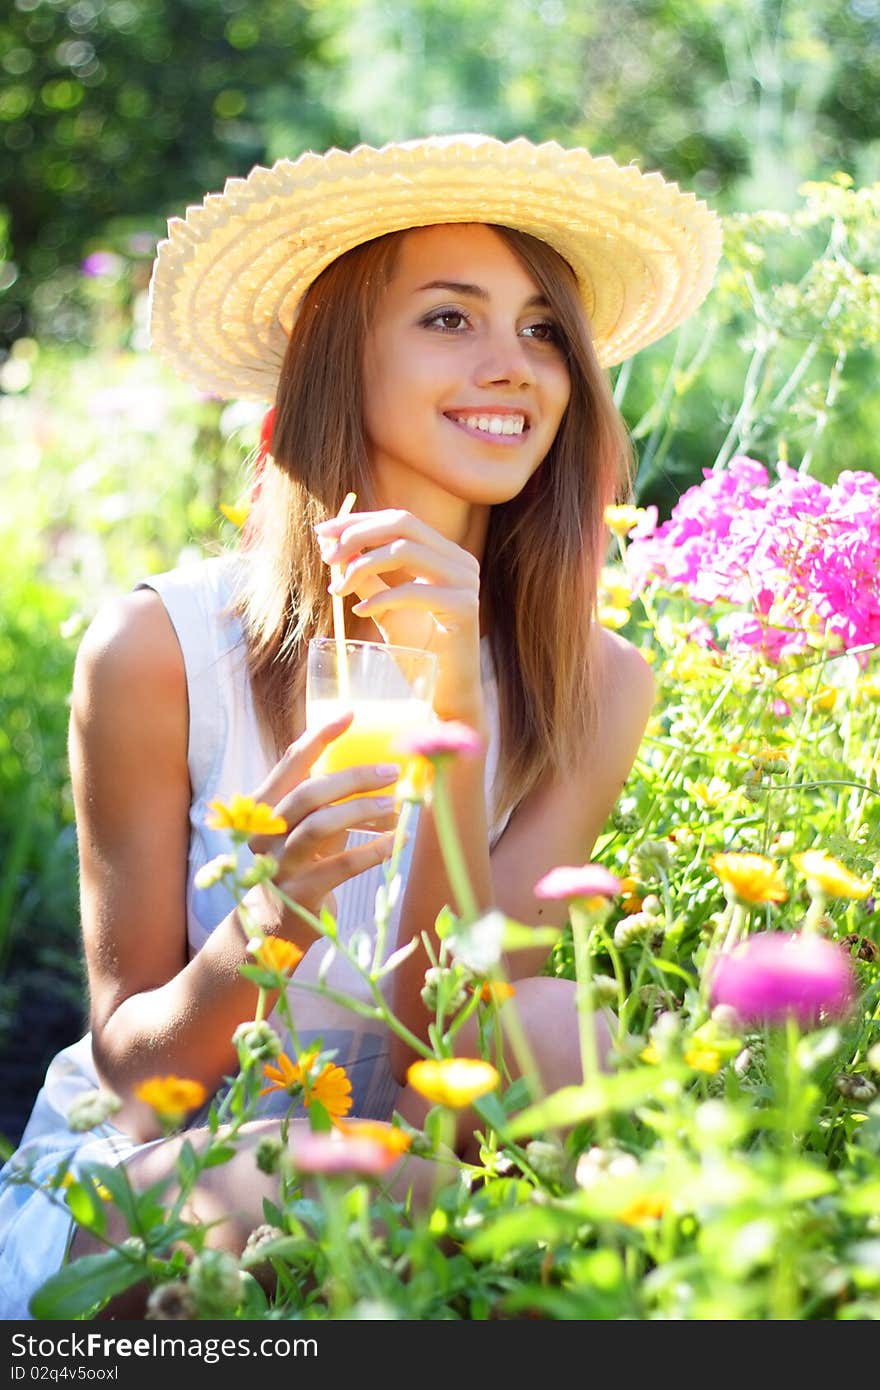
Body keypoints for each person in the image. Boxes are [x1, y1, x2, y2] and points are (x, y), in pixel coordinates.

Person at [0, 133, 721, 1318]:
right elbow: (134, 1079)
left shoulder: (595, 684)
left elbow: (460, 1069)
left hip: (419, 1166)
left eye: (544, 329)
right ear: (339, 357)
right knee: (300, 1192)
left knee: (567, 1026)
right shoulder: (157, 649)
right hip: (154, 1181)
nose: (513, 366)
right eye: (450, 318)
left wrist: (451, 720)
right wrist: (271, 914)